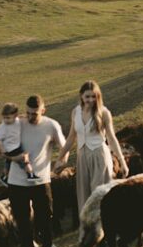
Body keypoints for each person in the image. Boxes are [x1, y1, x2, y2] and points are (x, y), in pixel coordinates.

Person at [5, 94, 66, 247]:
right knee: (22, 220)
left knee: (46, 214)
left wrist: (61, 162)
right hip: (17, 182)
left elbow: (64, 148)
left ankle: (48, 245)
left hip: (41, 180)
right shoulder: (17, 125)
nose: (31, 117)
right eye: (28, 113)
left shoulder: (51, 125)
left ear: (43, 110)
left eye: (35, 114)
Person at [55, 80, 128, 212]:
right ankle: (88, 227)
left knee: (99, 194)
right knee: (84, 195)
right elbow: (71, 137)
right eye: (87, 96)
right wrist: (59, 159)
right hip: (82, 157)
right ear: (81, 96)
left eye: (94, 96)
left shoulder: (104, 113)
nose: (90, 100)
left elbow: (111, 138)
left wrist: (122, 161)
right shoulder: (75, 112)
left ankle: (103, 228)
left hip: (99, 155)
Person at [0, 102, 37, 184]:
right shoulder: (3, 126)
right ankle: (31, 175)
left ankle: (4, 177)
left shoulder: (17, 120)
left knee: (8, 163)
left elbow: (21, 117)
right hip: (11, 149)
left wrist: (27, 116)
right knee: (24, 160)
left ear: (15, 115)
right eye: (4, 118)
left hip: (16, 145)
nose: (6, 120)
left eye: (8, 118)